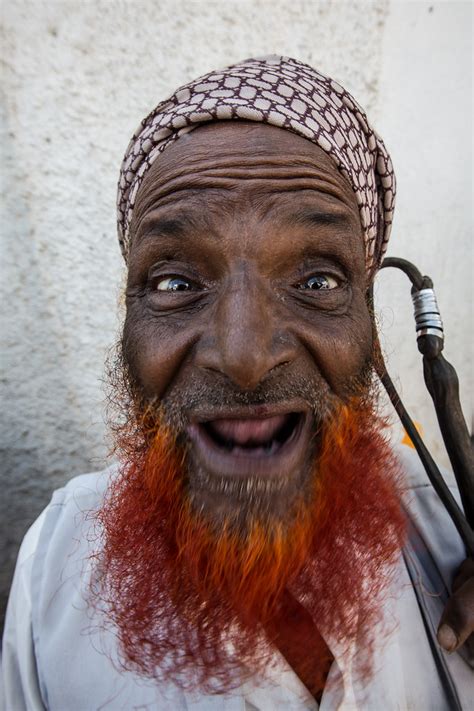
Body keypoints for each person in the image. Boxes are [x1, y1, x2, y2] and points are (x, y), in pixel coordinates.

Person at [2, 56, 473, 710]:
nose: (245, 356)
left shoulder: (453, 532)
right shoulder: (56, 564)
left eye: (317, 282)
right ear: (126, 321)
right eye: (175, 283)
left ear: (369, 317)